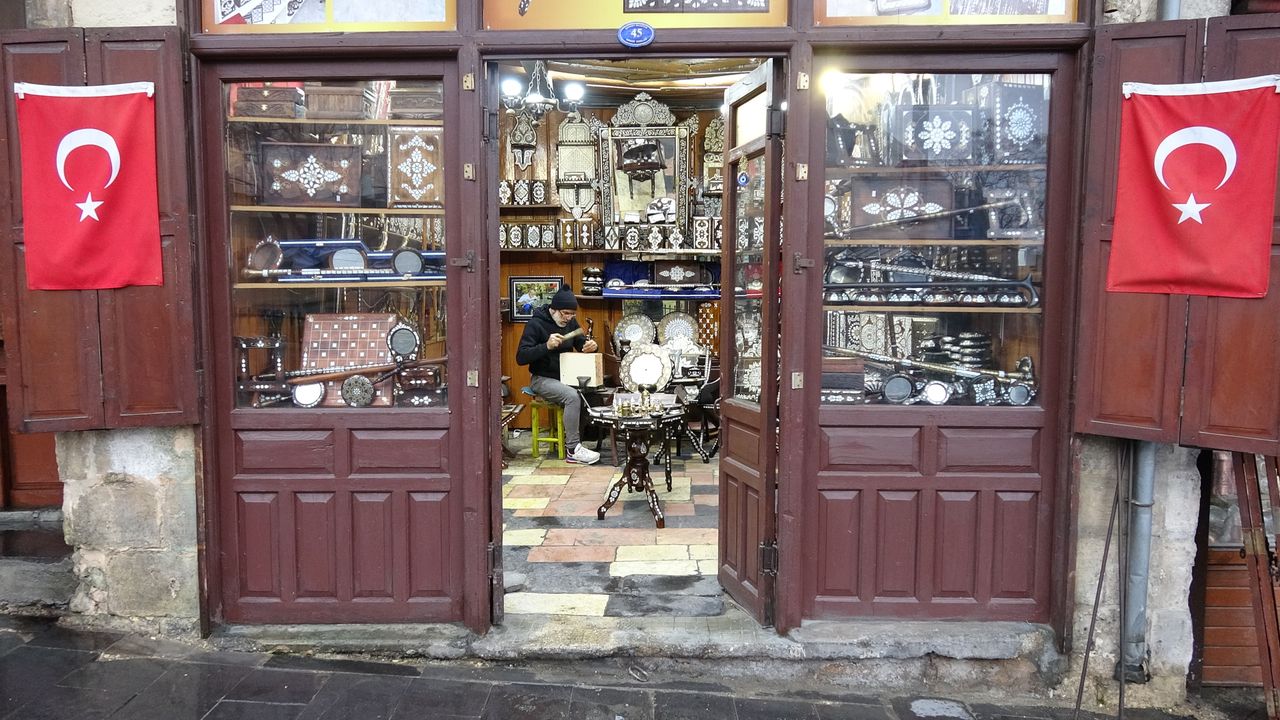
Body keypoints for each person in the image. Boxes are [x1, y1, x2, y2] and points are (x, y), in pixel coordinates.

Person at [516, 285, 601, 465]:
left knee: (593, 392)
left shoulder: (570, 323)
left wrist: (591, 346)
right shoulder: (535, 324)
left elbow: (581, 344)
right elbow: (521, 357)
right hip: (542, 379)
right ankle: (573, 450)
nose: (568, 318)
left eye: (572, 314)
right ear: (553, 310)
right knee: (572, 396)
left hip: (566, 377)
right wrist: (546, 346)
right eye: (565, 313)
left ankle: (584, 440)